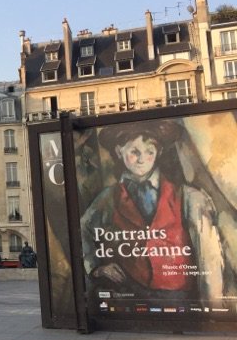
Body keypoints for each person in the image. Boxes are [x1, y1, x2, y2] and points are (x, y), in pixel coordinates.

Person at [80, 120, 224, 301]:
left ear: (159, 153)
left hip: (179, 295)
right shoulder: (108, 198)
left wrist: (213, 307)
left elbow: (209, 258)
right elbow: (83, 230)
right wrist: (95, 268)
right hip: (129, 292)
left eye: (150, 151)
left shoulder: (189, 196)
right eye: (134, 151)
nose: (142, 159)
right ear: (119, 151)